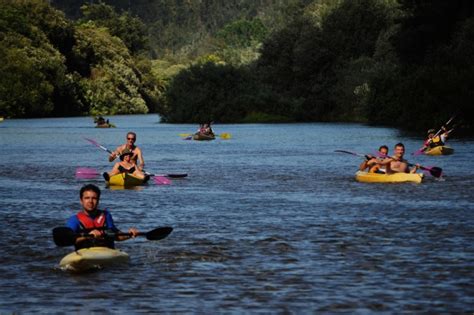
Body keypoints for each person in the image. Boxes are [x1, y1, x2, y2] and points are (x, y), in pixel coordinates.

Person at [66, 184, 139, 250]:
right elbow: (69, 240)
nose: (90, 201)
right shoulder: (74, 220)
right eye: (87, 198)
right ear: (81, 201)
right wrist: (87, 236)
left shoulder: (106, 216)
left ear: (98, 201)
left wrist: (129, 234)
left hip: (107, 252)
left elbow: (116, 236)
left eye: (94, 198)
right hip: (84, 253)